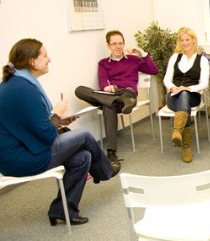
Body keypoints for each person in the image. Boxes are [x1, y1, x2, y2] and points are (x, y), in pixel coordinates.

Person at [0, 39, 119, 227]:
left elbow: (29, 126)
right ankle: (105, 171)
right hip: (23, 158)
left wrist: (59, 122)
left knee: (83, 156)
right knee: (86, 136)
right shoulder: (24, 88)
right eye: (45, 55)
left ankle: (62, 211)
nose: (50, 59)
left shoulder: (15, 83)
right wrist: (57, 113)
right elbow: (46, 135)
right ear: (32, 62)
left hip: (18, 153)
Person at [75, 30, 158, 166]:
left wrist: (141, 52)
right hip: (112, 95)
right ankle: (124, 102)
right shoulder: (103, 63)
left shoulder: (133, 59)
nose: (118, 46)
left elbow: (154, 70)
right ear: (109, 46)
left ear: (124, 44)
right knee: (80, 90)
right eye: (114, 44)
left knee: (109, 106)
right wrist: (107, 88)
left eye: (120, 43)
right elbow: (102, 81)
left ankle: (111, 153)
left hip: (127, 92)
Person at [162, 27, 210, 163]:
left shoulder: (202, 60)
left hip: (193, 95)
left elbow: (204, 83)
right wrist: (172, 87)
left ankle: (177, 130)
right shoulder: (174, 57)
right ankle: (186, 147)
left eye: (187, 39)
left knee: (185, 94)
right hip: (173, 97)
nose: (185, 43)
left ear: (193, 41)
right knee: (183, 99)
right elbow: (166, 79)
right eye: (182, 40)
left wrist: (188, 88)